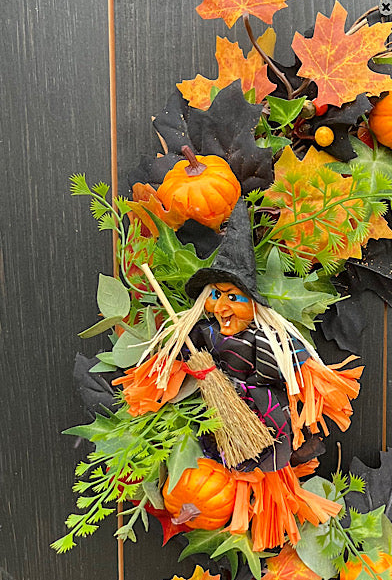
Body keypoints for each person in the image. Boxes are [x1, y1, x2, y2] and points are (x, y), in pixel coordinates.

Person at [117, 200, 361, 549]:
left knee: (270, 456)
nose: (222, 307)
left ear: (254, 303)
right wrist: (185, 363)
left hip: (261, 407)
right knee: (224, 456)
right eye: (216, 296)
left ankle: (277, 494)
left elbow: (290, 367)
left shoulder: (269, 339)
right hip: (218, 407)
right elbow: (184, 354)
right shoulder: (204, 331)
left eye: (234, 297)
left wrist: (311, 381)